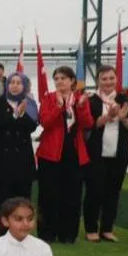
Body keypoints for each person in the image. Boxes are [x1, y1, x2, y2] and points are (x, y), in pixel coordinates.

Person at [36, 66, 94, 244]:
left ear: (72, 81)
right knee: (48, 195)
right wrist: (58, 107)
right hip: (50, 154)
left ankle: (68, 234)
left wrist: (82, 107)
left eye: (63, 78)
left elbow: (88, 123)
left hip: (74, 154)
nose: (59, 82)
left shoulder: (79, 99)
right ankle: (47, 233)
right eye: (57, 78)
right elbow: (45, 122)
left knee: (72, 196)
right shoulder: (48, 98)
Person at [84, 66, 128, 243]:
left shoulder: (125, 100)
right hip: (96, 153)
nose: (108, 82)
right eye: (104, 79)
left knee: (113, 192)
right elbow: (89, 125)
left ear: (116, 79)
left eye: (111, 78)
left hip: (119, 153)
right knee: (94, 191)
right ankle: (91, 229)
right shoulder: (91, 100)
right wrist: (108, 117)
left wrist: (123, 117)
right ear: (98, 81)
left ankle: (107, 229)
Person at [0, 73, 38, 237]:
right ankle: (0, 231)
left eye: (19, 83)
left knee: (22, 196)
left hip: (22, 158)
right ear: (7, 85)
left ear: (24, 86)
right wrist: (15, 115)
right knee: (1, 196)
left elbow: (32, 126)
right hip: (1, 158)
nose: (15, 85)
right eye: (12, 82)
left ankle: (22, 229)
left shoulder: (30, 103)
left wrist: (21, 114)